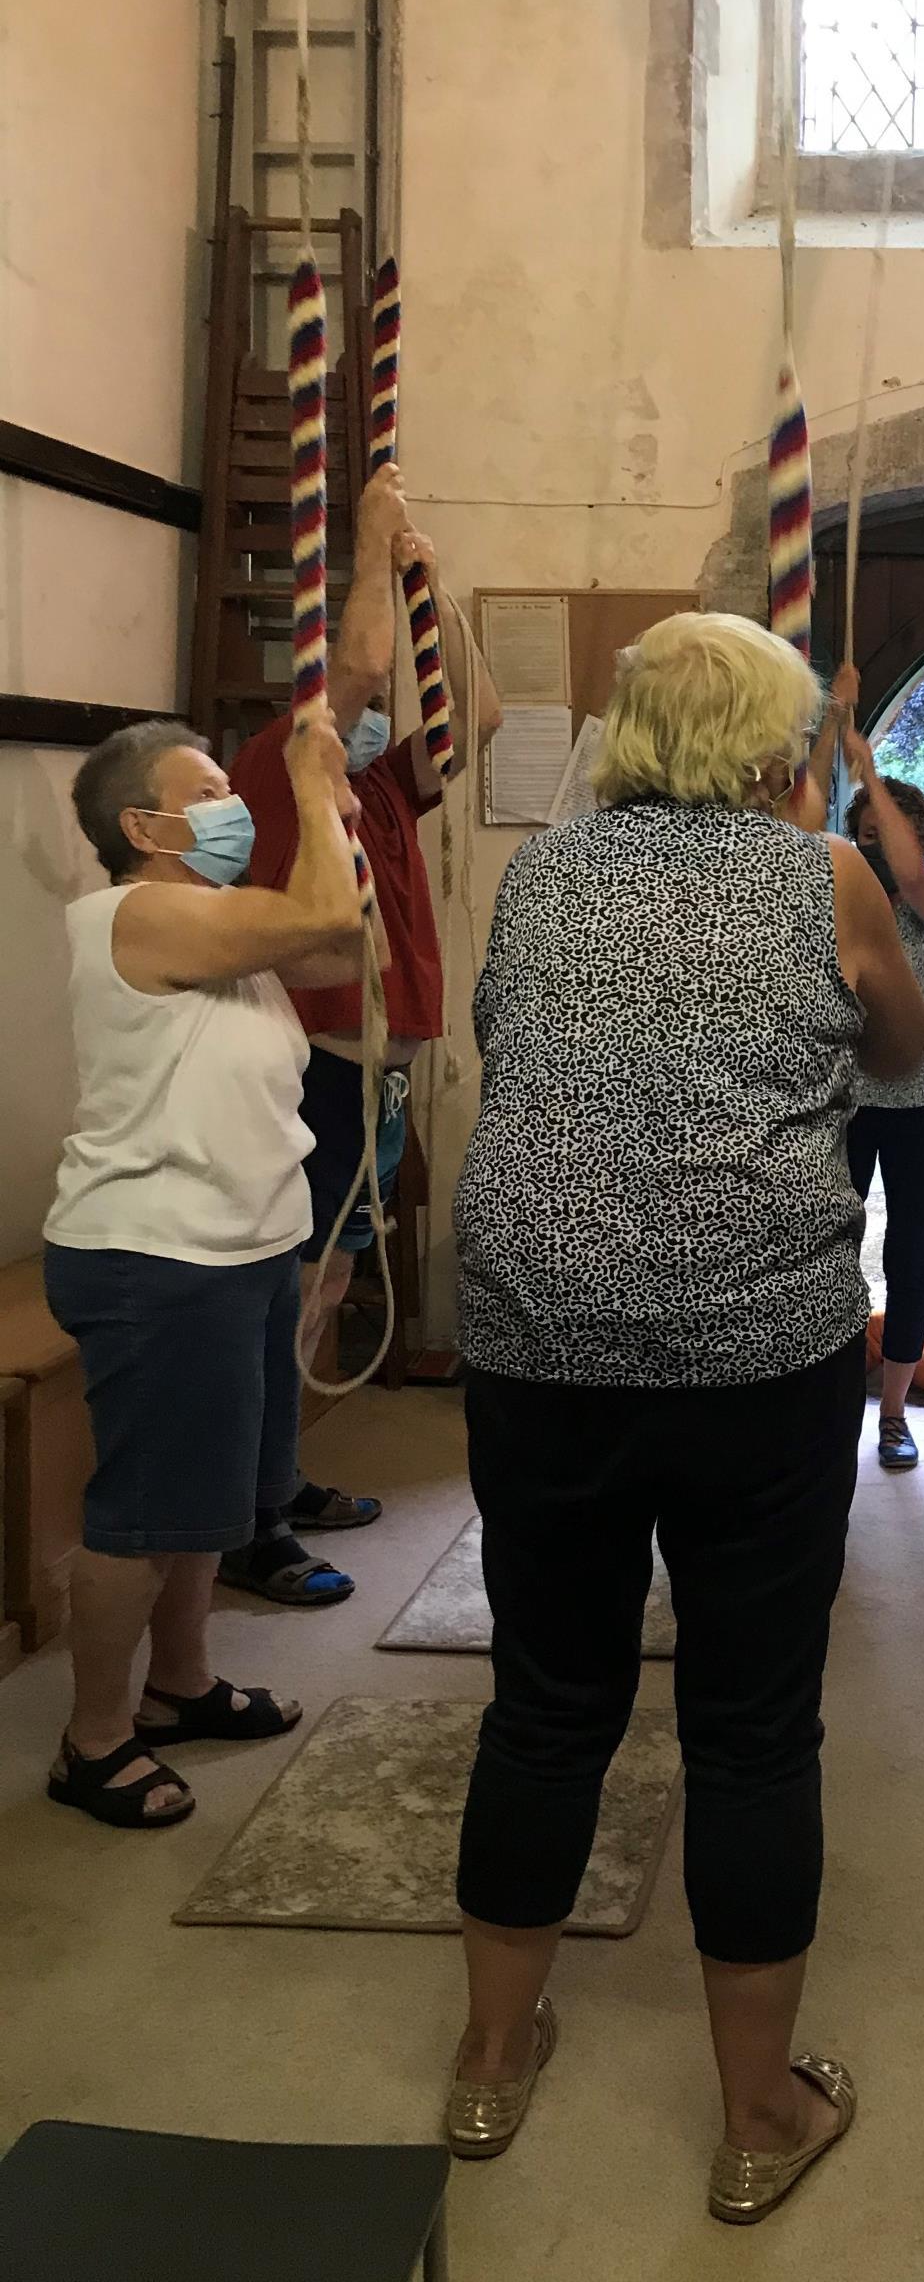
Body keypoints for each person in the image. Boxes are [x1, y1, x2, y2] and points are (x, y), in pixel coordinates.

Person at [446, 612, 924, 2215]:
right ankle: (755, 2115)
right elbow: (905, 1047)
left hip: (538, 1345)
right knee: (746, 1725)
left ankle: (492, 2065)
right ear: (777, 747)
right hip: (755, 1361)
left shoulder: (547, 872)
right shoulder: (822, 879)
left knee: (544, 1699)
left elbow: (496, 1044)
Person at [42, 712, 366, 1827]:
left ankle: (178, 1685)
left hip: (240, 1249)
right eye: (214, 791)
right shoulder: (141, 911)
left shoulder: (218, 923)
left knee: (207, 1507)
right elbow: (322, 915)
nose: (236, 807)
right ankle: (91, 1740)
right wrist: (313, 793)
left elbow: (338, 944)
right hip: (156, 1254)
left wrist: (341, 811)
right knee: (140, 1513)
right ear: (144, 822)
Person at [223, 464, 502, 1605]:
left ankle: (276, 1479)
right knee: (301, 1287)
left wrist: (432, 589)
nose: (366, 718)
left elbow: (471, 720)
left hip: (384, 1061)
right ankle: (249, 1514)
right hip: (329, 1054)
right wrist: (376, 535)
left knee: (330, 1284)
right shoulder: (283, 770)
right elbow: (361, 671)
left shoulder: (376, 784)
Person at [841, 726, 924, 1472]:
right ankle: (826, 1402)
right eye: (860, 837)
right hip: (846, 1100)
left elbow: (912, 878)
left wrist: (870, 772)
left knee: (910, 1253)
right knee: (830, 1250)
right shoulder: (839, 903)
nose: (874, 851)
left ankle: (893, 1415)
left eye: (885, 837)